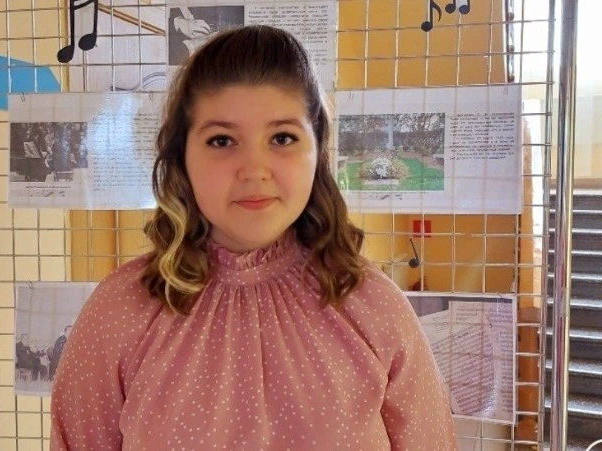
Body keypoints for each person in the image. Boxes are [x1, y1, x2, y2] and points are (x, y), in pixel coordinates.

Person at [51, 25, 458, 450]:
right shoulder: (119, 313)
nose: (254, 169)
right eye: (221, 140)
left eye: (282, 138)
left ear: (318, 150)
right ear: (182, 156)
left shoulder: (375, 307)